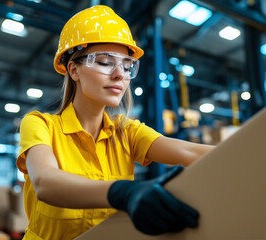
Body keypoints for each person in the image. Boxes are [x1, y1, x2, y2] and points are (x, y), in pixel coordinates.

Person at [16, 5, 215, 240]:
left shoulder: (127, 132)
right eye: (104, 62)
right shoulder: (40, 125)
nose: (120, 74)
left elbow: (190, 151)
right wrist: (121, 192)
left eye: (127, 65)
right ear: (74, 70)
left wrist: (255, 156)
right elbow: (45, 182)